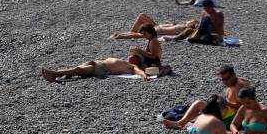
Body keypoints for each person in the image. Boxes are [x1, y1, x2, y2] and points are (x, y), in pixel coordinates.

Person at [162, 65, 252, 129]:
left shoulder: (240, 86)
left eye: (227, 79)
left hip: (233, 118)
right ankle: (182, 123)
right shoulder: (233, 83)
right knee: (200, 104)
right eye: (223, 79)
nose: (225, 82)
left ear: (234, 75)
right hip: (227, 112)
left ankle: (181, 123)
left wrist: (225, 102)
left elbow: (245, 107)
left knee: (200, 104)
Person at [41, 54, 172, 82]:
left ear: (138, 61)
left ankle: (54, 74)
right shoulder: (125, 61)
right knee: (76, 70)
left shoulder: (132, 66)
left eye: (135, 57)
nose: (131, 56)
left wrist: (144, 76)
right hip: (96, 63)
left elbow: (139, 72)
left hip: (101, 68)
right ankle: (61, 75)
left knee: (77, 70)